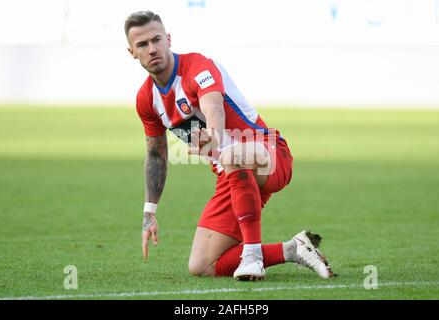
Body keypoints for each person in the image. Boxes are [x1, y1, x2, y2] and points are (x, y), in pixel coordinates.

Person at [125, 10, 335, 281]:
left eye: (156, 40)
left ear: (168, 39)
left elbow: (213, 106)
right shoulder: (147, 99)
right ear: (132, 52)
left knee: (232, 155)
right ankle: (295, 249)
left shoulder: (198, 67)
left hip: (268, 153)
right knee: (202, 265)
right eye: (142, 45)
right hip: (232, 176)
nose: (152, 49)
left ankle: (252, 256)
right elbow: (155, 155)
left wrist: (212, 134)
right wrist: (149, 212)